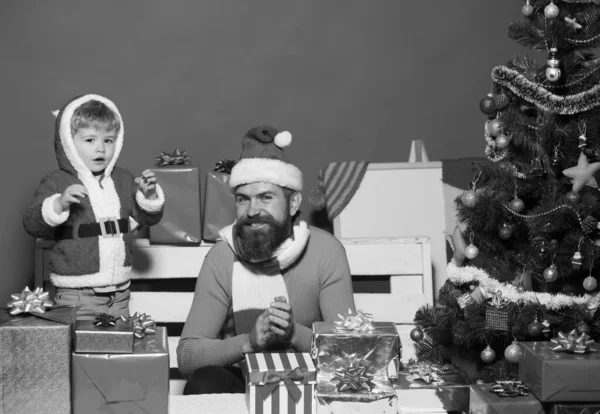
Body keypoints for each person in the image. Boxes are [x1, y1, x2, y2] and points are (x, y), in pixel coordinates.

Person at [177, 124, 356, 394]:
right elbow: (187, 356)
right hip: (243, 381)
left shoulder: (325, 252)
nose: (252, 210)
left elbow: (348, 353)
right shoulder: (222, 257)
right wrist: (249, 343)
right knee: (205, 381)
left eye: (265, 197)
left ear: (293, 203)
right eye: (242, 199)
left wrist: (293, 334)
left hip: (307, 383)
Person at [23, 94, 165, 320]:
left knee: (116, 351)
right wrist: (58, 204)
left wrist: (148, 196)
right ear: (68, 142)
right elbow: (32, 223)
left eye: (108, 140)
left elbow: (148, 219)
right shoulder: (57, 182)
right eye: (90, 140)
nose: (101, 149)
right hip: (77, 295)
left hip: (120, 294)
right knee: (78, 352)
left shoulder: (124, 179)